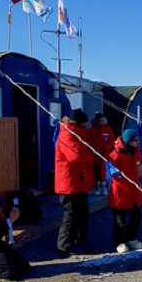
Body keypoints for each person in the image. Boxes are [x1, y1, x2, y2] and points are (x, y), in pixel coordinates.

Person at [55, 109, 95, 255]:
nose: (86, 126)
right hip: (69, 182)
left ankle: (79, 241)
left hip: (79, 181)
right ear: (78, 123)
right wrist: (91, 155)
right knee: (71, 214)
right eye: (84, 124)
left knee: (82, 213)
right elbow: (75, 157)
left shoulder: (78, 133)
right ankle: (64, 245)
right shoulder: (66, 135)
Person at [107, 129, 142, 253]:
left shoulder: (136, 152)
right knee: (119, 220)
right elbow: (106, 170)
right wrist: (110, 171)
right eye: (135, 140)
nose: (137, 142)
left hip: (133, 190)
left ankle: (131, 238)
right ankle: (119, 242)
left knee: (136, 216)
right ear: (129, 141)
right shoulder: (115, 155)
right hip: (120, 192)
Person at [89, 112, 115, 196]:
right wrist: (96, 149)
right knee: (96, 171)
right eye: (100, 120)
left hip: (105, 154)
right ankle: (97, 187)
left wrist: (105, 149)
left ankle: (103, 186)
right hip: (95, 155)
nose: (102, 122)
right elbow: (89, 141)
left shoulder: (108, 129)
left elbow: (111, 140)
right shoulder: (92, 130)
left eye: (103, 120)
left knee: (104, 171)